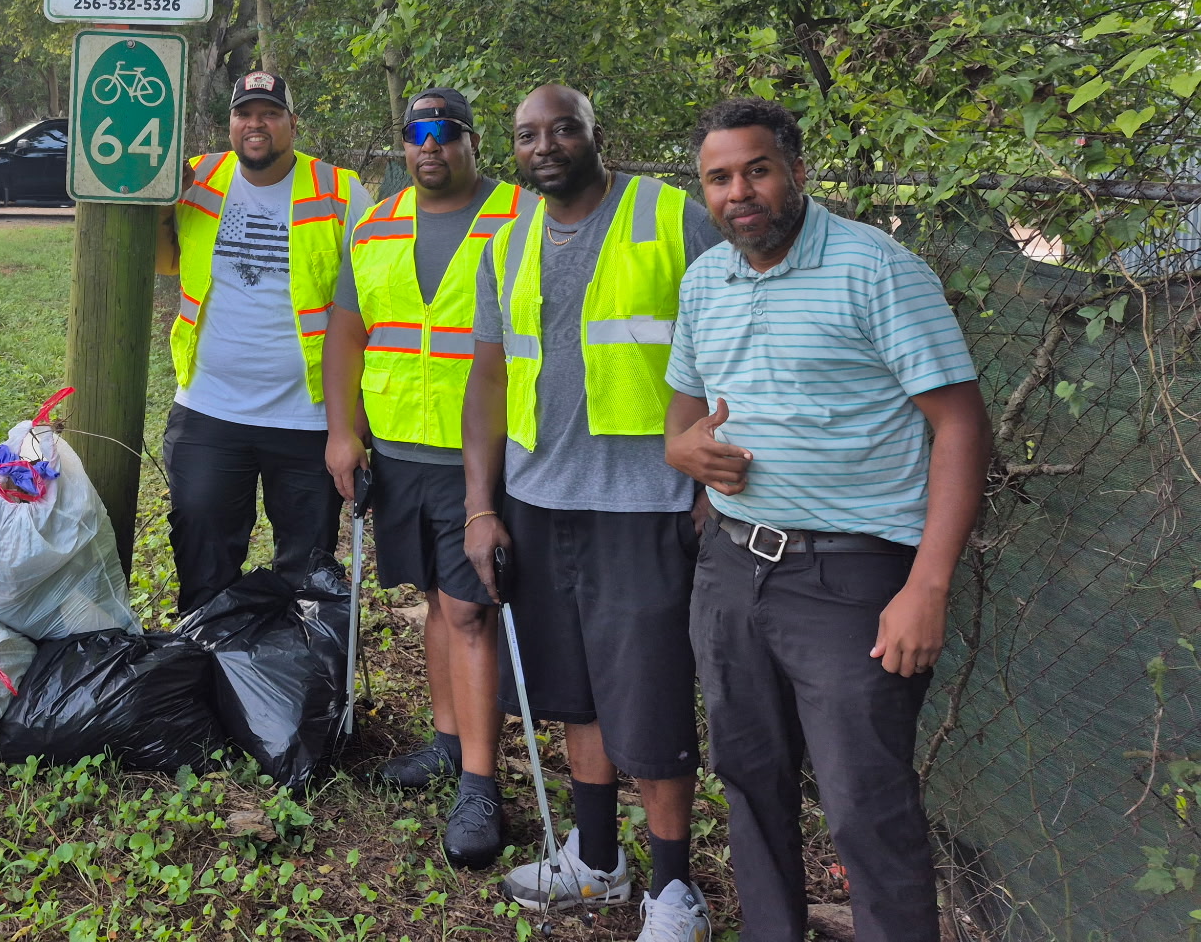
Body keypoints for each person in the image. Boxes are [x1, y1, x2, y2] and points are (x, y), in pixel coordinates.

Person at [664, 98, 990, 942]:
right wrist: (685, 454)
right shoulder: (706, 280)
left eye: (758, 170)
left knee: (864, 807)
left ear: (797, 172)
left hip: (851, 580)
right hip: (733, 569)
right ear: (704, 190)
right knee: (748, 779)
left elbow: (959, 425)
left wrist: (928, 584)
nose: (741, 191)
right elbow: (681, 422)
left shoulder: (876, 269)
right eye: (720, 177)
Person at [462, 84, 723, 941]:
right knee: (575, 692)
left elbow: (737, 334)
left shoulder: (671, 216)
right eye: (527, 133)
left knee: (645, 698)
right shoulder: (509, 241)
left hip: (644, 505)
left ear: (594, 134)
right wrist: (481, 507)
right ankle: (599, 859)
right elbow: (491, 380)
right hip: (539, 502)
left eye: (563, 128)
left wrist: (711, 484)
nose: (545, 145)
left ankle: (674, 890)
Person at [324, 88, 520, 868]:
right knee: (438, 603)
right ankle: (447, 744)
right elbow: (347, 331)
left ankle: (480, 784)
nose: (429, 147)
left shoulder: (520, 218)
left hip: (487, 458)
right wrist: (345, 432)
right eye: (415, 135)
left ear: (474, 143)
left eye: (445, 133)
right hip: (400, 451)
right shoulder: (373, 223)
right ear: (402, 146)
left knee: (472, 613)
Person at [160, 70, 371, 614]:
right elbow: (158, 255)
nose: (257, 124)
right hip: (209, 408)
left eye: (270, 114)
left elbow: (371, 307)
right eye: (245, 114)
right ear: (230, 124)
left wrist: (354, 423)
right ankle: (204, 670)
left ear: (292, 124)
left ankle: (297, 686)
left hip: (307, 418)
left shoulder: (342, 191)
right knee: (201, 552)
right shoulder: (194, 179)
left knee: (307, 576)